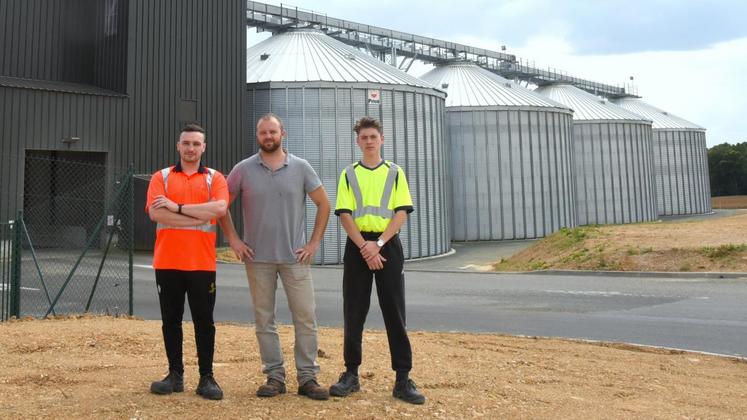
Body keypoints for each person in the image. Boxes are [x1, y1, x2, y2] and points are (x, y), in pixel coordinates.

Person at [219, 113, 331, 400]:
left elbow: (323, 204)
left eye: (272, 132)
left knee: (305, 317)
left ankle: (308, 378)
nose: (268, 137)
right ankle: (274, 376)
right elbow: (222, 206)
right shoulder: (243, 169)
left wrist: (314, 243)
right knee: (264, 320)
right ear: (258, 137)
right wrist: (233, 239)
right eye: (263, 133)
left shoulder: (301, 167)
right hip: (257, 258)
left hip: (295, 258)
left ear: (283, 133)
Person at [329, 116, 425, 405]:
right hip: (358, 245)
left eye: (373, 136)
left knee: (394, 311)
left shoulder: (395, 173)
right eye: (364, 137)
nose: (368, 141)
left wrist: (378, 244)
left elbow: (401, 213)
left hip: (387, 243)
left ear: (382, 139)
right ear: (358, 141)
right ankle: (351, 374)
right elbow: (345, 214)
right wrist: (365, 248)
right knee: (354, 311)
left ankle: (402, 378)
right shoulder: (349, 173)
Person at [145, 123, 228, 400]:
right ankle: (175, 375)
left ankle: (207, 377)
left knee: (205, 322)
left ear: (203, 147)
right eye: (186, 143)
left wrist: (177, 208)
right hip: (168, 262)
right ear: (178, 146)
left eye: (196, 144)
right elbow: (157, 215)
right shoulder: (162, 177)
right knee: (171, 320)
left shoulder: (215, 178)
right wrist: (198, 216)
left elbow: (219, 208)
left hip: (202, 264)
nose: (191, 148)